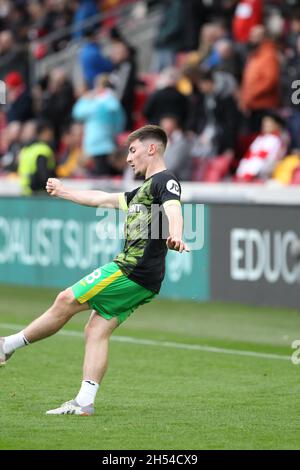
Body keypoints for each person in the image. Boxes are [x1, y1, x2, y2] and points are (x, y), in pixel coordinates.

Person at [0, 125, 190, 416]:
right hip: (145, 278)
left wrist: (176, 233)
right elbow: (101, 198)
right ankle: (84, 402)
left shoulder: (165, 180)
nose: (128, 158)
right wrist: (64, 191)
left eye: (133, 150)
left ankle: (7, 345)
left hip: (131, 270)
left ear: (151, 149)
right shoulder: (141, 191)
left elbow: (174, 208)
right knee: (96, 329)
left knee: (66, 299)